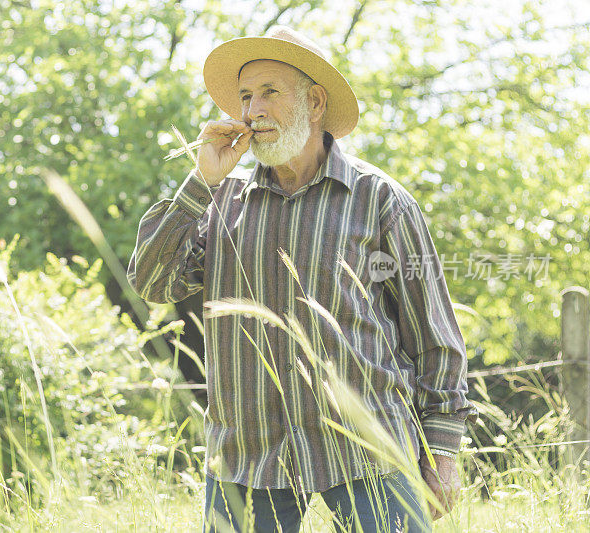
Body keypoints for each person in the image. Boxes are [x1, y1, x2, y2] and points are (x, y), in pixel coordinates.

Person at [127, 26, 477, 532]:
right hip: (248, 458)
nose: (253, 110)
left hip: (368, 452)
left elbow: (435, 339)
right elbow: (153, 283)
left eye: (270, 92)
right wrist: (200, 181)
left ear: (314, 102)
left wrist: (442, 452)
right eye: (246, 97)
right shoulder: (221, 200)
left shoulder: (380, 200)